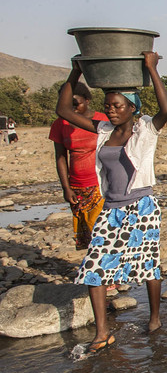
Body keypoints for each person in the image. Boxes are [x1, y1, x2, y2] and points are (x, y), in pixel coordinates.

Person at [55, 51, 167, 354]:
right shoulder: (103, 130)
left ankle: (155, 319)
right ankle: (102, 332)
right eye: (108, 106)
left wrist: (151, 69)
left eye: (118, 106)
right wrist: (75, 72)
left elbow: (166, 109)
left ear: (132, 107)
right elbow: (64, 109)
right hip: (111, 208)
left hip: (141, 206)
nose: (111, 111)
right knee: (94, 266)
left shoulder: (145, 129)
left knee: (148, 266)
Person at [49, 84, 110, 250]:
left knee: (100, 230)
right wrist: (66, 187)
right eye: (68, 104)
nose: (72, 108)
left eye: (76, 103)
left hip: (100, 184)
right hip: (77, 186)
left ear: (88, 100)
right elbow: (60, 157)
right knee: (87, 233)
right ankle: (95, 269)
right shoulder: (60, 124)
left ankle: (102, 271)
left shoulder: (103, 121)